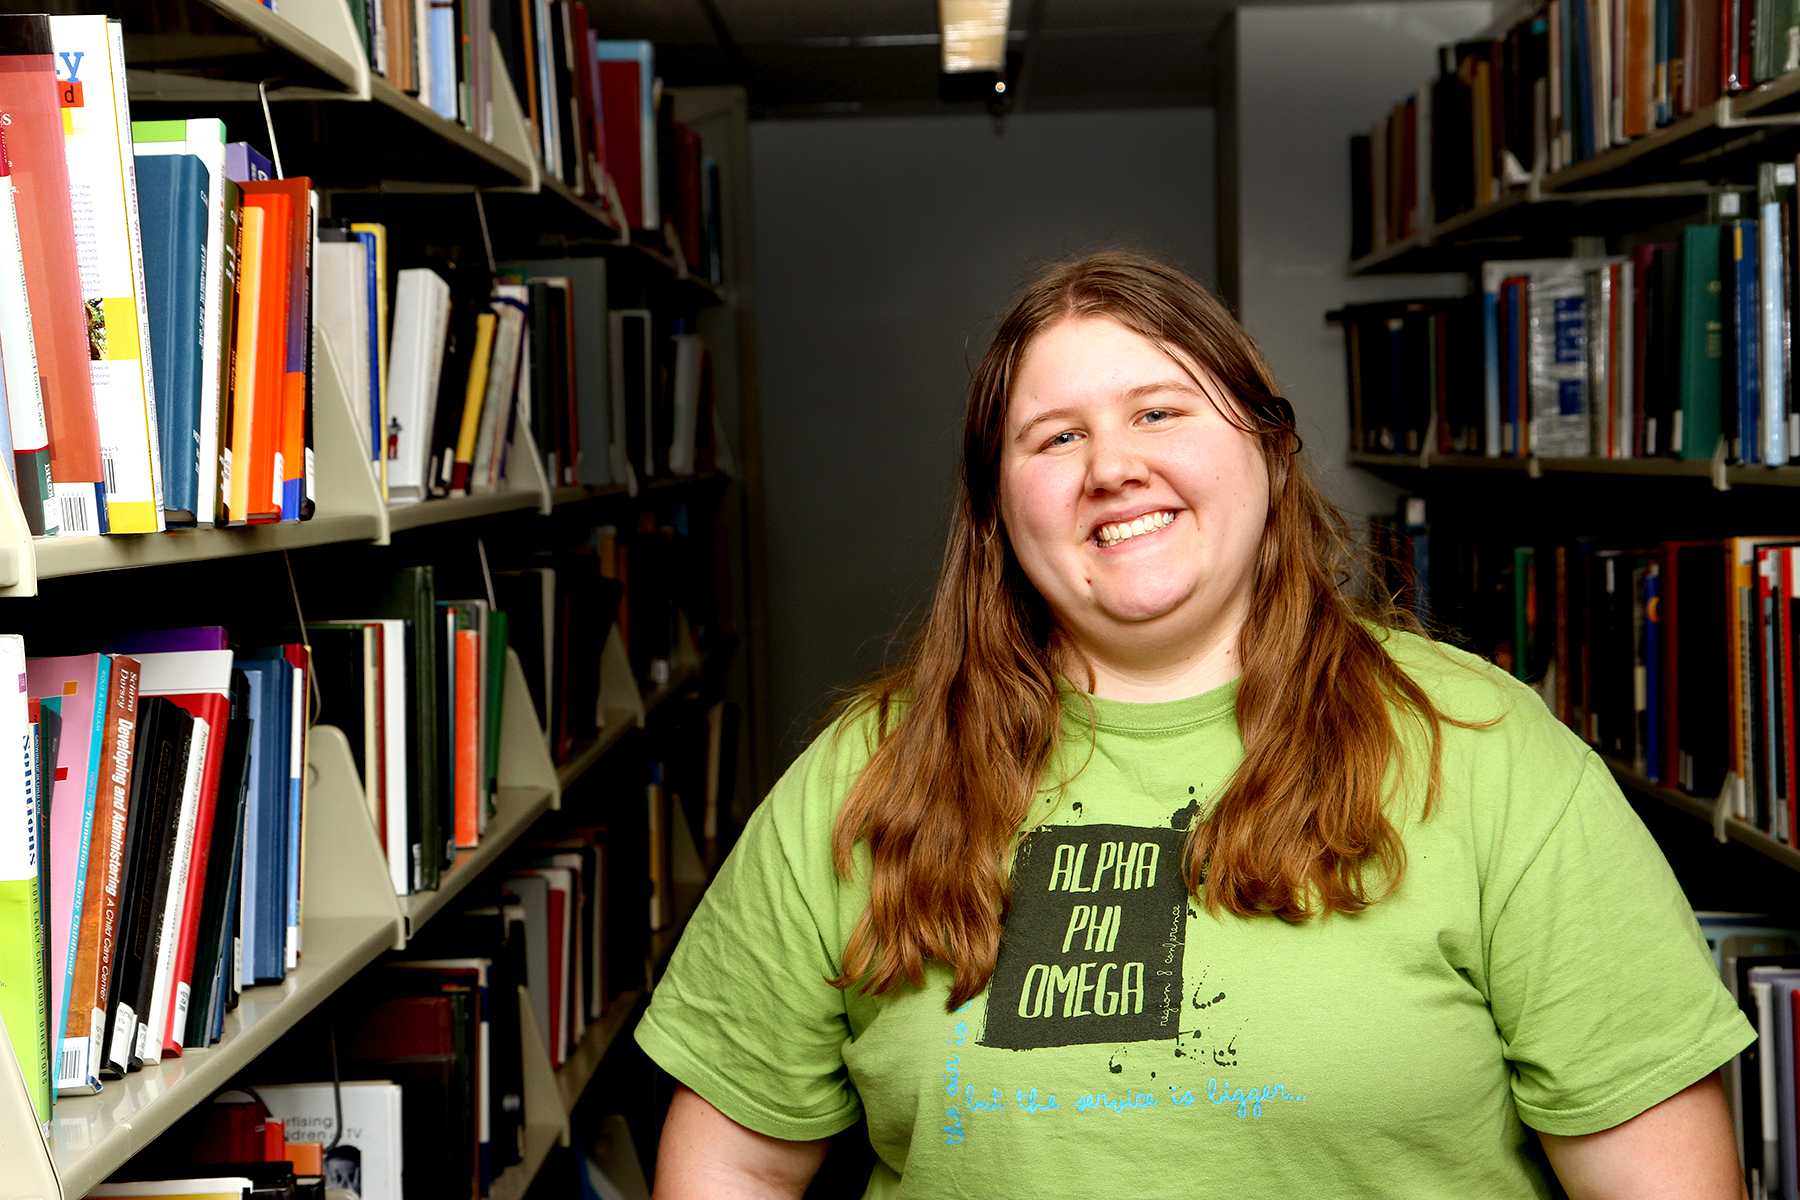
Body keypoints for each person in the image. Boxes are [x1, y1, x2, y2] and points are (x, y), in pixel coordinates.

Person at [634, 251, 1754, 1198]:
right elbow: (733, 1159)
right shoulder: (869, 776)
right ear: (994, 509)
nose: (1114, 467)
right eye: (1054, 438)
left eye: (1159, 411)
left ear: (1268, 444)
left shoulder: (1482, 746)